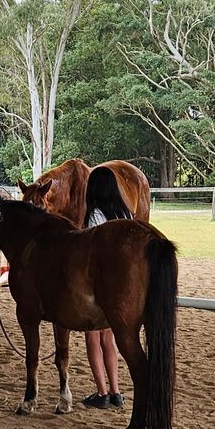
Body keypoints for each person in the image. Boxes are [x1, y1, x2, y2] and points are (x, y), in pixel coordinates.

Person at [79, 169, 134, 411]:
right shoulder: (126, 213)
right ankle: (116, 390)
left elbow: (93, 251)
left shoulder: (95, 215)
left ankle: (102, 392)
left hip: (102, 282)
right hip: (123, 284)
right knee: (109, 338)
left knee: (92, 335)